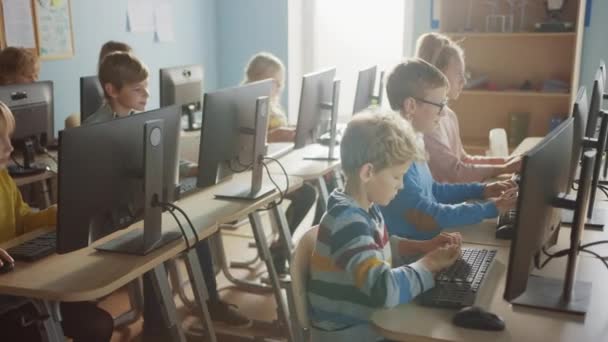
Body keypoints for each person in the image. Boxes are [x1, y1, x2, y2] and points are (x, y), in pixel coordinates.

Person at [308, 111, 461, 341]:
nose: (400, 186)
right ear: (368, 172)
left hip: (366, 324)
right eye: (397, 177)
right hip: (349, 334)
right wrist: (430, 264)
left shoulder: (364, 206)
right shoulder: (347, 222)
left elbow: (378, 246)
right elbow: (384, 290)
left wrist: (422, 247)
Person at [0, 101, 114, 342]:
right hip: (7, 299)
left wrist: (57, 213)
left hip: (24, 285)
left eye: (8, 137)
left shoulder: (2, 178)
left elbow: (22, 220)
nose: (9, 146)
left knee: (99, 324)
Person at [381, 58, 517, 251]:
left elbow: (434, 191)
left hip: (429, 244)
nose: (444, 113)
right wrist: (491, 209)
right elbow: (429, 215)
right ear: (411, 106)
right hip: (409, 257)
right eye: (439, 104)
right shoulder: (396, 157)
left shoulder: (415, 141)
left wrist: (481, 190)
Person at [243, 52, 317, 273]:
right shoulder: (246, 103)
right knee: (307, 194)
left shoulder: (272, 103)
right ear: (256, 77)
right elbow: (255, 138)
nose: (279, 88)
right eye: (275, 82)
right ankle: (280, 246)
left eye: (280, 84)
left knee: (324, 182)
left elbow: (279, 132)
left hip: (279, 165)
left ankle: (309, 245)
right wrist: (279, 134)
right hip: (257, 171)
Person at [416, 33, 521, 183]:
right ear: (439, 74)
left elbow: (464, 159)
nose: (464, 80)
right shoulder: (428, 123)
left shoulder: (449, 115)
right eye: (459, 74)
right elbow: (455, 173)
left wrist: (507, 161)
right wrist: (505, 168)